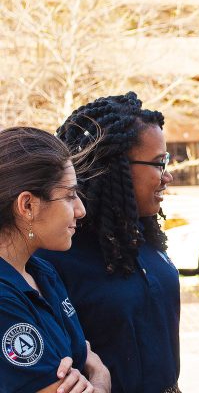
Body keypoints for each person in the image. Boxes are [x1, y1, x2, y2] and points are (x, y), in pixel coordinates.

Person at [37, 92, 180, 393]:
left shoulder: (143, 235)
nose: (167, 176)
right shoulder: (55, 257)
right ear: (115, 168)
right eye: (158, 163)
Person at [0, 127, 110, 392]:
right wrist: (101, 376)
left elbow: (83, 355)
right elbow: (89, 362)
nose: (80, 210)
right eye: (70, 196)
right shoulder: (4, 297)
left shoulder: (42, 272)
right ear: (27, 206)